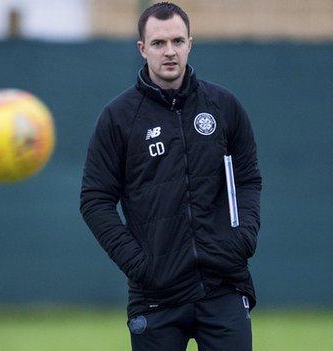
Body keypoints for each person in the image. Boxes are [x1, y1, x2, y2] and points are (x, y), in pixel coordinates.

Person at [80, 3, 262, 350]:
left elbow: (248, 177)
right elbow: (94, 200)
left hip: (223, 284)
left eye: (177, 41)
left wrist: (244, 237)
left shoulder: (223, 106)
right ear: (142, 48)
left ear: (190, 43)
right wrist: (139, 264)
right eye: (159, 43)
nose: (169, 52)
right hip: (156, 295)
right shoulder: (118, 117)